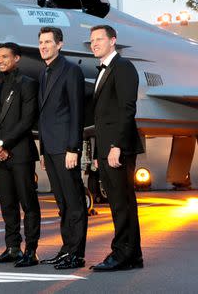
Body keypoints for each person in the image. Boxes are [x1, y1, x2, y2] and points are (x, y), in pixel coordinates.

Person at [89, 25, 144, 272]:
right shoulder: (104, 69)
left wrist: (116, 146)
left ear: (113, 41)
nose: (94, 43)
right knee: (119, 203)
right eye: (91, 40)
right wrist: (100, 152)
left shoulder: (123, 67)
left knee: (122, 203)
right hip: (108, 149)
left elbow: (127, 109)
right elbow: (102, 118)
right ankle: (131, 255)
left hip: (118, 147)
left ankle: (122, 255)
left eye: (99, 39)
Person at [37, 26, 87, 270]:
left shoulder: (71, 70)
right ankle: (66, 249)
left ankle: (76, 254)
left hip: (66, 149)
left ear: (60, 44)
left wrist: (73, 148)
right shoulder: (44, 73)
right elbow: (45, 115)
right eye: (41, 42)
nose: (43, 46)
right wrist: (43, 150)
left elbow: (77, 113)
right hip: (51, 149)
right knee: (62, 204)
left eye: (48, 42)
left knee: (74, 202)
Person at [0, 43, 41, 267]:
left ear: (16, 58)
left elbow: (27, 120)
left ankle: (31, 250)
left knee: (28, 204)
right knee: (7, 204)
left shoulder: (28, 84)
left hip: (20, 153)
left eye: (5, 56)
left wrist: (2, 144)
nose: (0, 60)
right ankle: (12, 248)